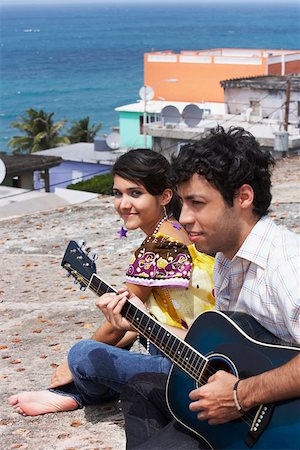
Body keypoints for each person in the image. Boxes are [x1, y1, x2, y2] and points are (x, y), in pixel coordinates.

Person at [99, 127, 300, 449]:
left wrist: (240, 394)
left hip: (278, 425)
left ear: (243, 197)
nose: (186, 217)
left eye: (197, 203)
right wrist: (142, 322)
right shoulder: (225, 260)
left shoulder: (286, 265)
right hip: (238, 413)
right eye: (182, 203)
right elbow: (225, 348)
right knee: (141, 387)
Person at [8, 148, 215, 417]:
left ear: (164, 196)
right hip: (189, 346)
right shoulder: (177, 230)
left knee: (84, 354)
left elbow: (112, 330)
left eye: (135, 193)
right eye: (118, 193)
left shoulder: (160, 248)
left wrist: (69, 365)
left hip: (185, 365)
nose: (123, 203)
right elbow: (135, 323)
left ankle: (77, 393)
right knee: (128, 332)